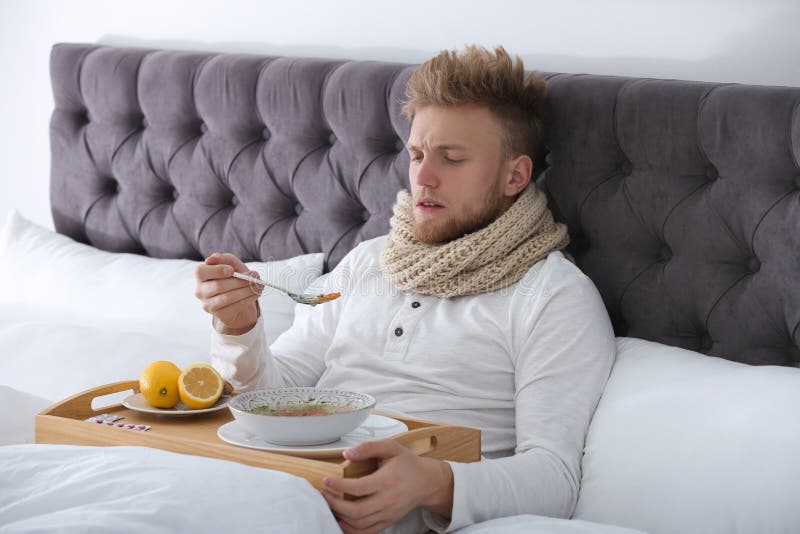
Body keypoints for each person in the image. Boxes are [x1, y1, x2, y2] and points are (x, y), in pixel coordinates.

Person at [194, 45, 615, 534]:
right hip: (278, 483)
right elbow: (272, 398)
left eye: (451, 159)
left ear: (514, 175)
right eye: (417, 154)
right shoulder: (370, 261)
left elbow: (555, 478)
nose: (423, 177)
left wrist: (434, 483)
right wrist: (239, 327)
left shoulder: (552, 295)